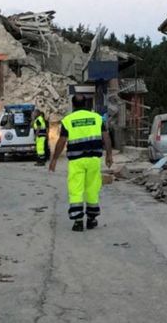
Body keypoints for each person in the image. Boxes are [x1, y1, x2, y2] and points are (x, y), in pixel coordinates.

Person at [49, 95, 113, 232]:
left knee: (76, 190)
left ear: (73, 105)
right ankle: (91, 219)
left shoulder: (68, 120)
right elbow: (105, 136)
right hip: (94, 160)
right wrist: (109, 154)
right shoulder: (97, 118)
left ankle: (78, 221)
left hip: (76, 161)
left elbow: (62, 140)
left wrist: (54, 159)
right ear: (86, 104)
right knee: (92, 189)